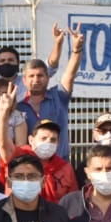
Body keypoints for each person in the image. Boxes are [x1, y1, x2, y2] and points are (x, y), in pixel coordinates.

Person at [15, 26, 85, 161]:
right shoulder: (17, 106)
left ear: (48, 77)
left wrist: (77, 50)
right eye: (31, 76)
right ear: (24, 80)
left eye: (40, 75)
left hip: (61, 166)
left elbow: (69, 74)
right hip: (31, 168)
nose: (36, 80)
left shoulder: (59, 96)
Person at [0, 92, 79, 201]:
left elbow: (73, 202)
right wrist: (3, 112)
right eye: (43, 138)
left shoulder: (65, 168)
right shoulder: (18, 157)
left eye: (53, 140)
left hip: (53, 216)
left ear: (58, 143)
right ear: (31, 140)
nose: (48, 142)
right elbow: (2, 141)